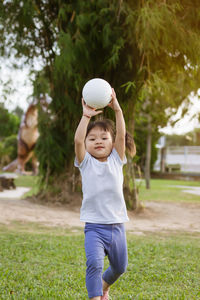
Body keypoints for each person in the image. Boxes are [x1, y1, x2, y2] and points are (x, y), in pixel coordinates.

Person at [74, 88, 136, 300]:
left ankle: (104, 286)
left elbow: (121, 133)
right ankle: (95, 297)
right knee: (94, 264)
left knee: (120, 267)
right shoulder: (86, 162)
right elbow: (78, 141)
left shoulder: (116, 159)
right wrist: (86, 116)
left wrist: (117, 109)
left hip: (117, 225)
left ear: (112, 143)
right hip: (94, 226)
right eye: (92, 139)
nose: (98, 141)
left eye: (103, 137)